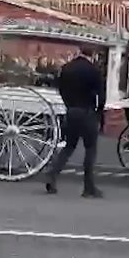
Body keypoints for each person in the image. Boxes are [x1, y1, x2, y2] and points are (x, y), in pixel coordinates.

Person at [45, 45, 106, 198]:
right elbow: (101, 95)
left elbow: (60, 88)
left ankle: (52, 175)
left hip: (71, 111)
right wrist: (99, 113)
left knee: (69, 146)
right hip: (88, 112)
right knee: (90, 149)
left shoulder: (67, 68)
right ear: (92, 54)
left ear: (79, 52)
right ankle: (88, 187)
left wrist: (68, 104)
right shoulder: (94, 70)